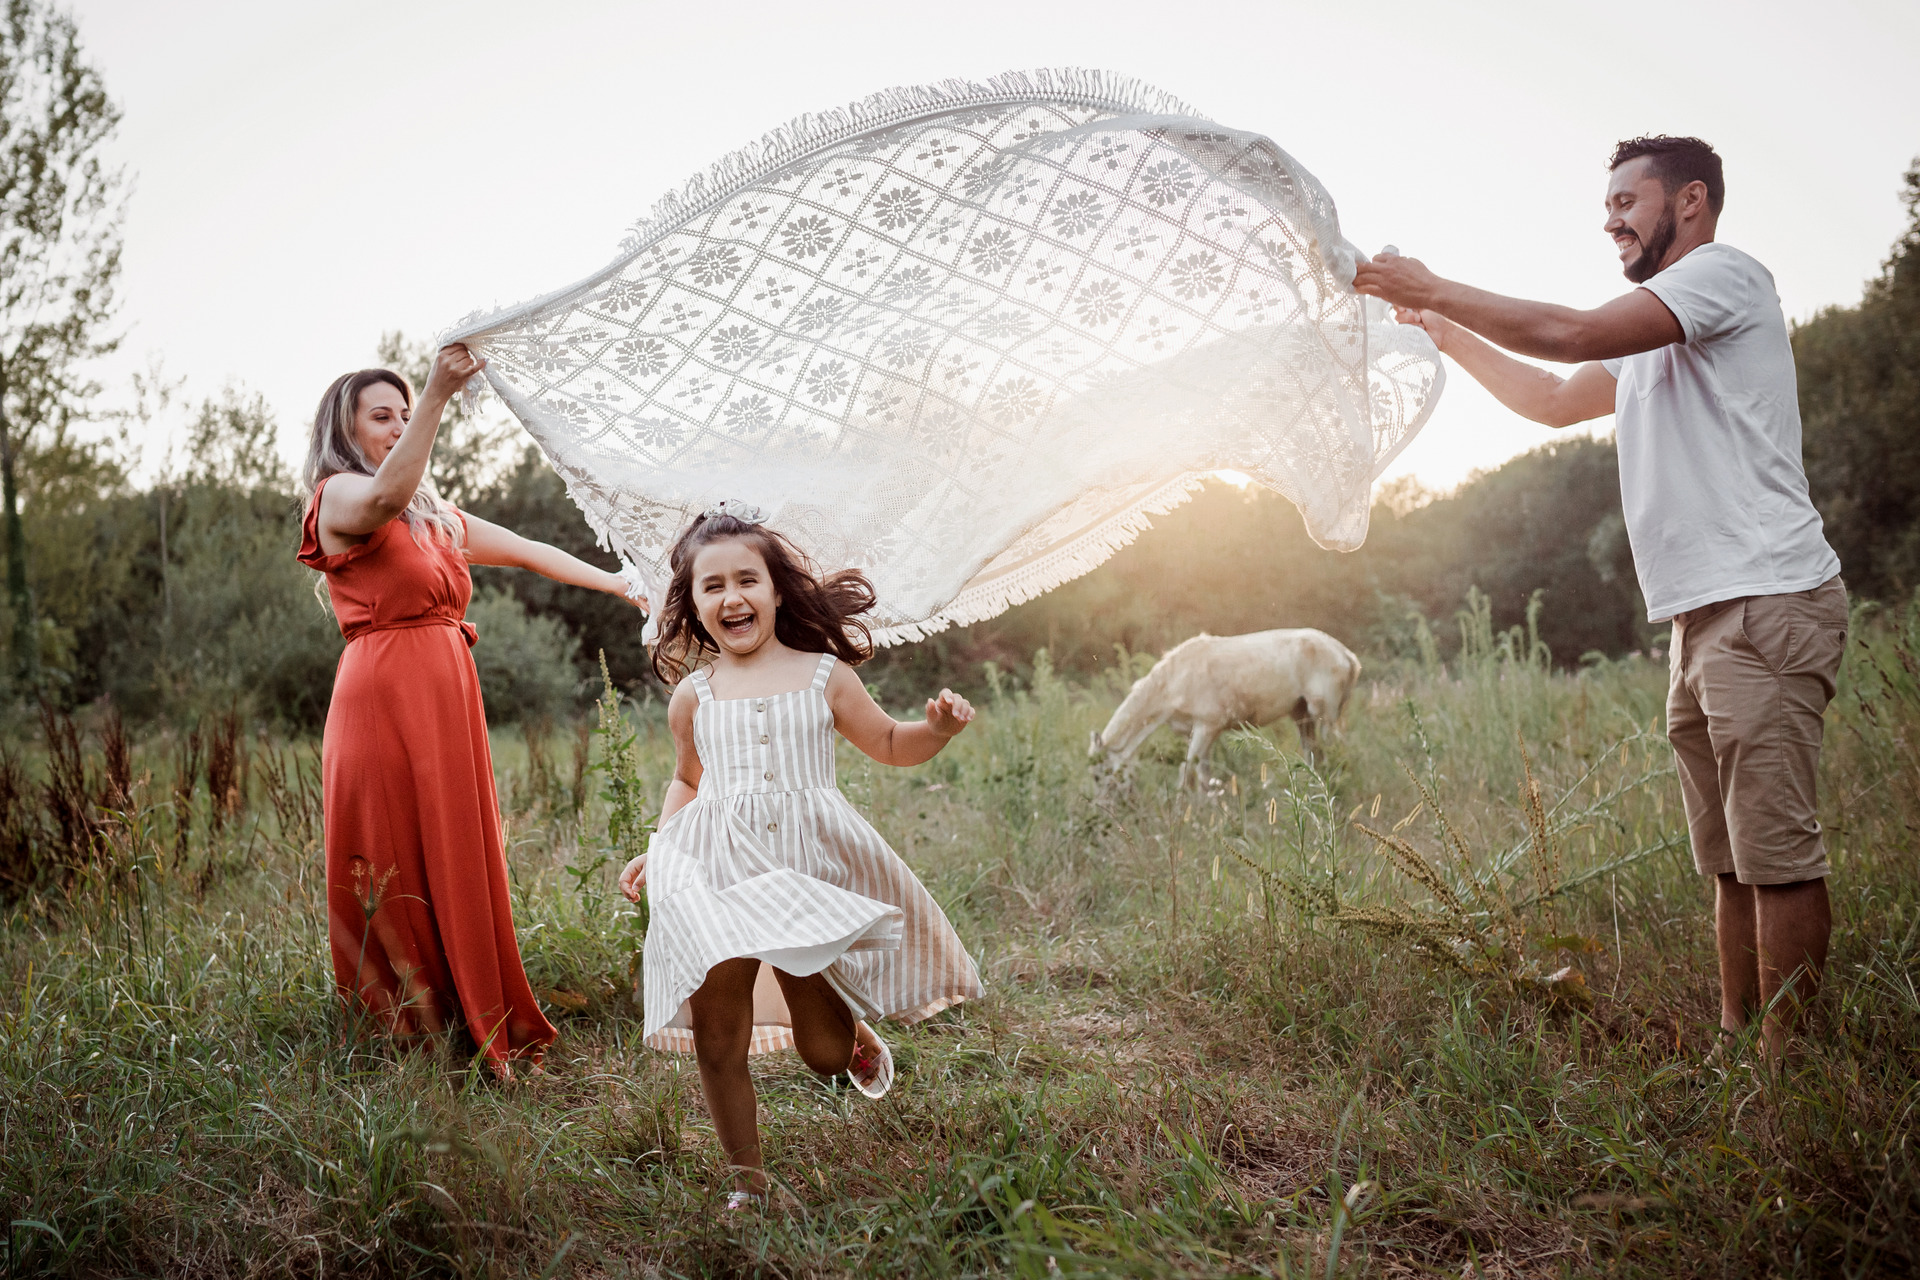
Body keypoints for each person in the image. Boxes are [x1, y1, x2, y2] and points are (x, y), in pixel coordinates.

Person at [1353, 136, 1846, 1062]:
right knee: (1728, 859)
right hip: (1703, 618)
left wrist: (1439, 284)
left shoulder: (1722, 278)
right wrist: (1440, 325)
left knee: (1776, 855)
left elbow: (1571, 333)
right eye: (1607, 204)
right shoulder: (1657, 334)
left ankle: (1794, 1078)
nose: (1611, 217)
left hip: (1769, 600)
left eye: (1629, 199)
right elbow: (1547, 396)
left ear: (1691, 200)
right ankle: (1738, 1047)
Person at [617, 504, 983, 1208]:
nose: (732, 597)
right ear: (693, 606)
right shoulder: (694, 696)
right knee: (717, 1033)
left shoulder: (825, 676)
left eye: (746, 579)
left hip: (802, 873)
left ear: (777, 589)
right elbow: (688, 781)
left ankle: (842, 1021)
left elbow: (889, 744)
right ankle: (747, 1185)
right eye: (712, 586)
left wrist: (933, 730)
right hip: (715, 873)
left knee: (821, 1055)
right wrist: (661, 849)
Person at [299, 344, 645, 1079]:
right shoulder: (336, 499)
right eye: (380, 416)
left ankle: (470, 1012)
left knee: (455, 848)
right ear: (345, 429)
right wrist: (434, 396)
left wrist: (619, 586)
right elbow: (386, 496)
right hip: (380, 698)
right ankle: (403, 1027)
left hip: (445, 698)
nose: (396, 425)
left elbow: (526, 550)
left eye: (403, 413)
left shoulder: (435, 516)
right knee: (391, 852)